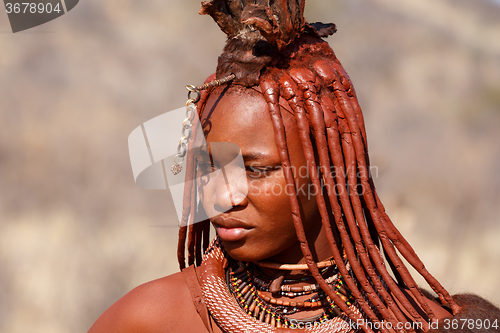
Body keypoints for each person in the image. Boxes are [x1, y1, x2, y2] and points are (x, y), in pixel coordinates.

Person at [89, 1, 500, 332]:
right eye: (207, 167)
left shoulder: (426, 324)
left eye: (254, 169)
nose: (218, 195)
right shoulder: (149, 319)